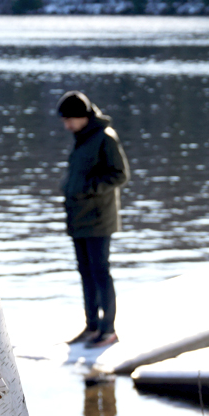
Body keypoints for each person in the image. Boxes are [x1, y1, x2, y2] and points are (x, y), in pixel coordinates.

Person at [57, 90, 130, 349]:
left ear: (82, 116)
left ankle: (108, 329)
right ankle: (92, 327)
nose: (66, 125)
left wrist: (88, 188)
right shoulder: (81, 138)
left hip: (99, 218)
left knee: (100, 273)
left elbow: (120, 175)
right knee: (85, 273)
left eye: (69, 119)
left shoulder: (105, 138)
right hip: (78, 219)